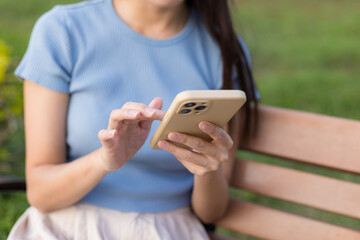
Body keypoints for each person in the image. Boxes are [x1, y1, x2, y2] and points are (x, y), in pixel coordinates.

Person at [8, 0, 258, 239]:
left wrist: (207, 166)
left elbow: (211, 212)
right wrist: (104, 160)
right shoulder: (63, 30)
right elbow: (41, 192)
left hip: (168, 229)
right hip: (66, 225)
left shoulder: (223, 49)